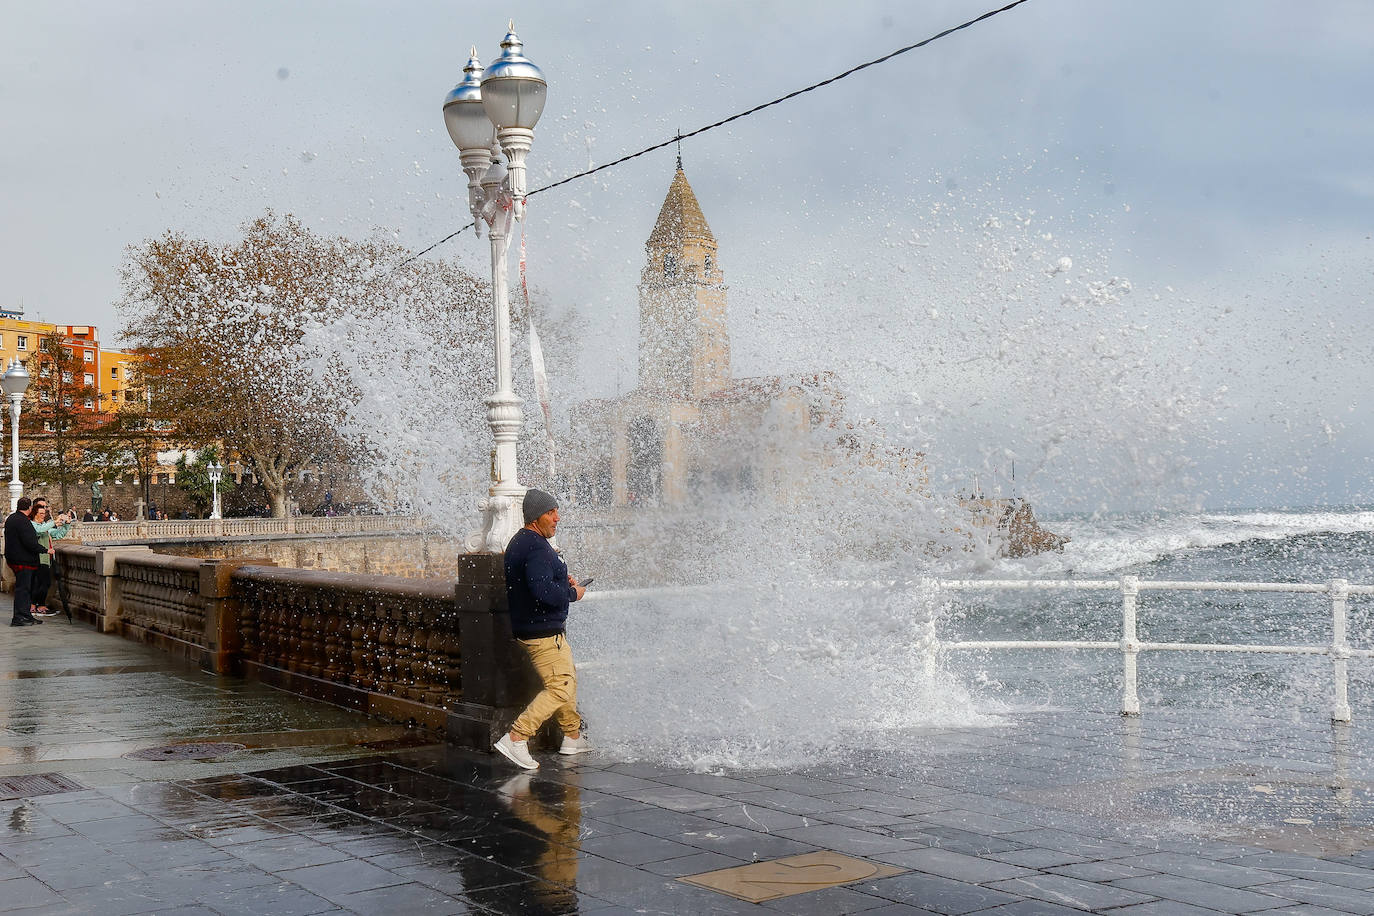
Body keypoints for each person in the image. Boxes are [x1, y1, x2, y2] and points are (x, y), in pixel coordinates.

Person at [494, 488, 591, 770]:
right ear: (537, 517)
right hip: (543, 633)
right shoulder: (535, 546)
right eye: (551, 512)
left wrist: (563, 580)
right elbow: (541, 591)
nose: (557, 517)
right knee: (560, 687)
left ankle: (572, 736)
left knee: (565, 681)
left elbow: (539, 582)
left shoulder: (523, 542)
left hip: (536, 629)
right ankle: (516, 737)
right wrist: (573, 594)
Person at [30, 500, 72, 617]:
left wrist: (67, 524)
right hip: (38, 558)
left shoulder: (45, 527)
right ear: (35, 514)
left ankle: (37, 605)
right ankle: (36, 606)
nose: (44, 515)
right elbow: (39, 530)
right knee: (41, 583)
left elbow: (59, 534)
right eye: (41, 513)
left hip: (46, 559)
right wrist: (55, 521)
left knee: (44, 583)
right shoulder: (32, 525)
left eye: (44, 513)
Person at [5, 498, 42, 627]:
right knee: (23, 589)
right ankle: (20, 617)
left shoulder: (12, 518)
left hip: (14, 559)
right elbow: (29, 542)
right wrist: (44, 550)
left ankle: (25, 615)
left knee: (24, 589)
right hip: (23, 560)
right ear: (30, 508)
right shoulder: (23, 521)